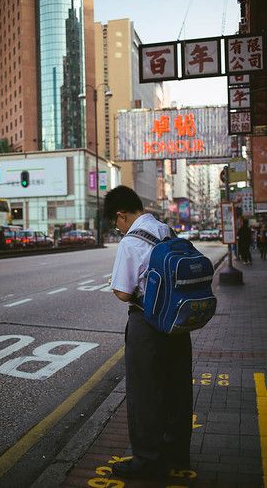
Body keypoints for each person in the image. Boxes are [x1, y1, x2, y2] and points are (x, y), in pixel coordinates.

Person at [103, 185, 192, 480]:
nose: (117, 228)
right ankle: (177, 453)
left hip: (148, 324)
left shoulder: (131, 241)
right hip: (177, 323)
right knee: (177, 388)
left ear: (121, 215)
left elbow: (123, 293)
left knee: (144, 392)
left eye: (116, 223)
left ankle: (148, 459)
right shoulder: (166, 230)